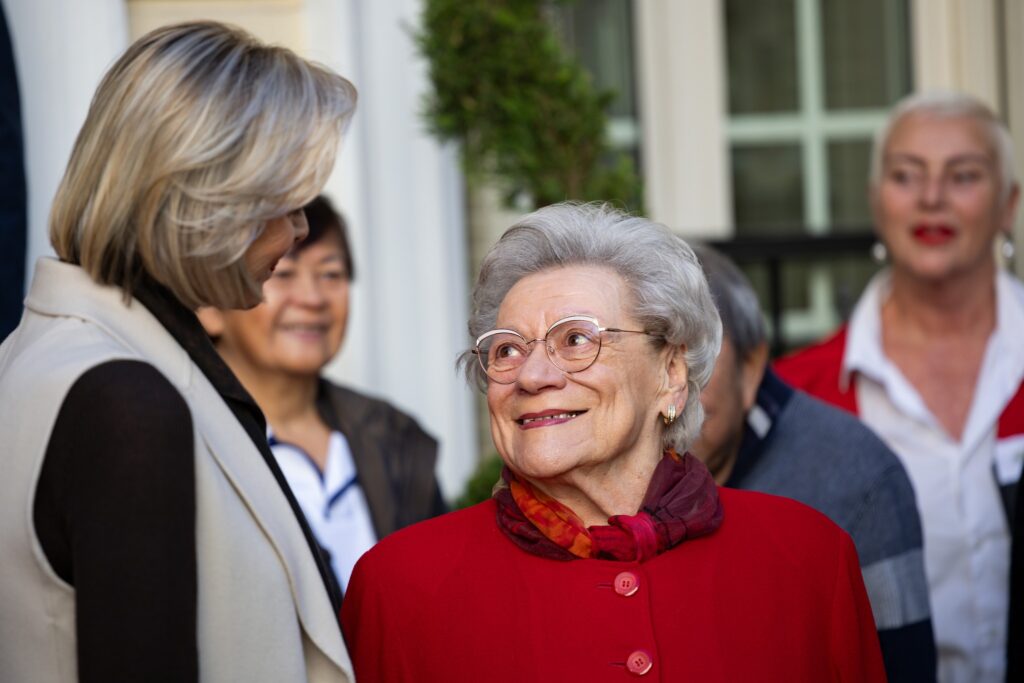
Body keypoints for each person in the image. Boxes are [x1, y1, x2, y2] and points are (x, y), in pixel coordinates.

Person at [341, 202, 886, 682]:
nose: (532, 376)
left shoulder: (808, 560)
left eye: (575, 340)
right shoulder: (400, 588)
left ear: (671, 373)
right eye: (507, 349)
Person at [0, 22, 357, 683]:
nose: (301, 229)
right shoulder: (122, 400)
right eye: (288, 201)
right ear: (209, 198)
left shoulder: (52, 352)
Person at [775, 91, 1024, 683]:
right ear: (876, 201)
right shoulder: (798, 396)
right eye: (906, 175)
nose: (931, 197)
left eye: (963, 175)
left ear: (1008, 204)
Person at [691, 244, 936, 682]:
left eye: (696, 359)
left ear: (751, 368)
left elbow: (902, 666)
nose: (671, 389)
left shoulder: (859, 477)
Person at [198, 195, 446, 592]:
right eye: (281, 272)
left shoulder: (395, 437)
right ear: (209, 306)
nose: (312, 299)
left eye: (331, 274)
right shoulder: (193, 439)